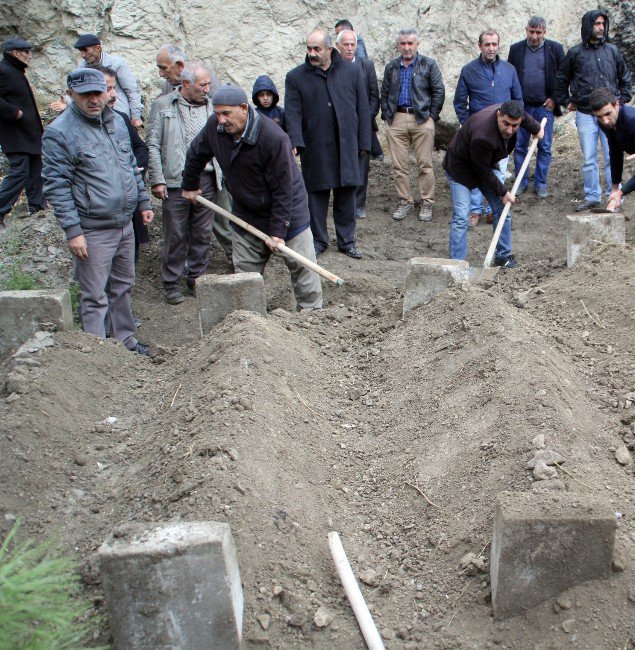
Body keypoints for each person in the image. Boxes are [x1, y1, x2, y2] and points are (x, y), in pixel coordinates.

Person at [181, 84, 323, 310]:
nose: (221, 120)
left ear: (244, 108)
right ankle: (249, 325)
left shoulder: (273, 138)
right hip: (247, 213)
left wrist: (277, 232)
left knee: (303, 269)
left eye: (226, 113)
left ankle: (312, 317)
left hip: (289, 212)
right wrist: (189, 185)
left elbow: (283, 189)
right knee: (245, 276)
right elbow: (196, 153)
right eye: (217, 113)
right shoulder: (215, 129)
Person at [42, 68, 153, 355]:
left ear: (106, 92)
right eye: (86, 95)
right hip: (92, 228)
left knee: (123, 286)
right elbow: (57, 186)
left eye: (98, 92)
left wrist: (142, 202)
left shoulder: (117, 122)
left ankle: (125, 341)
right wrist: (73, 231)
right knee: (94, 295)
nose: (94, 99)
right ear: (70, 95)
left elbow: (130, 165)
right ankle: (97, 354)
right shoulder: (60, 133)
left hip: (124, 223)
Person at [285, 29, 370, 258]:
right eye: (309, 49)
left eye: (317, 49)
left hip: (347, 145)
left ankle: (347, 241)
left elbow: (362, 108)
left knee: (346, 194)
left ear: (329, 49)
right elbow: (292, 113)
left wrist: (364, 141)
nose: (312, 53)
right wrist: (296, 140)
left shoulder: (351, 71)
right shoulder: (296, 77)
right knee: (316, 196)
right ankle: (318, 240)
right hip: (316, 145)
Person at [147, 62, 222, 305]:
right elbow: (153, 144)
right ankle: (171, 283)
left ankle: (196, 278)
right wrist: (157, 179)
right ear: (186, 84)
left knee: (202, 233)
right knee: (176, 234)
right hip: (175, 181)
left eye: (209, 84)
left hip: (207, 179)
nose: (208, 89)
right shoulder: (163, 105)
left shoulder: (212, 108)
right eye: (203, 85)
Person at [443, 100, 543, 268]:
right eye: (506, 124)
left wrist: (537, 129)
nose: (510, 130)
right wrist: (503, 192)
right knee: (461, 216)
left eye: (515, 125)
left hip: (483, 163)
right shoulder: (483, 135)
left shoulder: (514, 115)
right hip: (460, 169)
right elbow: (482, 171)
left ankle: (503, 256)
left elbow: (525, 117)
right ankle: (457, 264)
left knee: (502, 210)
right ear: (498, 115)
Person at [554, 10, 632, 212]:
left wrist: (621, 101)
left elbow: (624, 76)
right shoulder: (575, 53)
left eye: (602, 24)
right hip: (585, 113)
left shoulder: (612, 51)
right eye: (596, 23)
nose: (600, 27)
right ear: (588, 25)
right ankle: (592, 196)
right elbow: (561, 80)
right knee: (589, 157)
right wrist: (566, 101)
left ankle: (614, 196)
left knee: (611, 154)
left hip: (611, 113)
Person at [454, 29, 523, 226]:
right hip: (478, 135)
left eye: (494, 44)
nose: (491, 48)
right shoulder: (469, 71)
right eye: (487, 44)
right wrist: (468, 125)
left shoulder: (509, 70)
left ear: (498, 45)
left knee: (499, 171)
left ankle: (492, 209)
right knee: (478, 169)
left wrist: (514, 124)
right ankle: (474, 210)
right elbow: (460, 101)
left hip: (503, 133)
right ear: (480, 46)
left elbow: (518, 99)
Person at [380, 27, 445, 222]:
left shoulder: (429, 65)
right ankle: (405, 201)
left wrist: (431, 117)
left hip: (421, 119)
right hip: (397, 118)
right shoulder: (391, 67)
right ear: (398, 45)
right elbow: (384, 93)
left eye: (410, 43)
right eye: (403, 43)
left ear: (417, 44)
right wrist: (387, 115)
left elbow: (438, 92)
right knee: (399, 165)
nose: (407, 47)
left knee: (425, 164)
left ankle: (427, 202)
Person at [87, 63, 150, 265]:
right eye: (107, 88)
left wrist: (136, 169)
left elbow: (139, 150)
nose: (113, 94)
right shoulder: (71, 128)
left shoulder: (121, 119)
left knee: (127, 266)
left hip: (127, 204)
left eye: (114, 88)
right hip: (97, 212)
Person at [507, 17, 565, 199]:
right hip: (522, 108)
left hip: (544, 107)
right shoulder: (516, 49)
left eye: (538, 32)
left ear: (544, 32)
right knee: (520, 145)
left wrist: (555, 99)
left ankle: (540, 183)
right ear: (526, 30)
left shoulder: (555, 49)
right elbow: (510, 76)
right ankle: (521, 182)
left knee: (545, 146)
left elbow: (563, 77)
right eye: (531, 31)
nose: (534, 36)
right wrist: (515, 103)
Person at [0, 37, 46, 228]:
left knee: (35, 169)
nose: (29, 55)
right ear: (15, 53)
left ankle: (38, 207)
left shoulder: (15, 71)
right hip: (15, 133)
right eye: (26, 51)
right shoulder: (3, 70)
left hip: (28, 133)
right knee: (20, 171)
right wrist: (14, 112)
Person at [50, 34, 143, 128]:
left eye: (85, 50)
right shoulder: (82, 69)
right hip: (95, 116)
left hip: (120, 114)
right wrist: (66, 102)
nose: (82, 55)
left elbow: (132, 91)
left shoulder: (117, 64)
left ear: (97, 48)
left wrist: (136, 117)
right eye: (80, 51)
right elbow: (78, 92)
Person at [335, 28, 380, 220]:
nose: (350, 48)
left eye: (353, 44)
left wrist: (364, 119)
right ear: (338, 47)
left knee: (362, 166)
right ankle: (345, 203)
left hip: (363, 126)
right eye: (346, 45)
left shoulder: (366, 65)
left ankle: (359, 204)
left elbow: (373, 96)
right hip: (340, 126)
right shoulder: (333, 68)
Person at [590, 87, 635, 210]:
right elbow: (615, 151)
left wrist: (621, 192)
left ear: (617, 104)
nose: (605, 121)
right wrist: (615, 187)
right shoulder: (605, 123)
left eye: (607, 113)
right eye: (599, 116)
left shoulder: (632, 121)